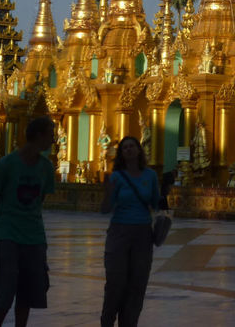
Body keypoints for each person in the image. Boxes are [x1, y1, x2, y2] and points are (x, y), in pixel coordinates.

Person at [0, 116, 56, 327]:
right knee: (5, 287)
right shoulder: (7, 164)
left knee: (27, 289)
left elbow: (40, 200)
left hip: (34, 236)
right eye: (50, 135)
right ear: (38, 136)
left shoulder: (46, 167)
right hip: (8, 233)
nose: (53, 140)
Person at [99, 136, 160, 327]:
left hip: (142, 233)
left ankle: (129, 322)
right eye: (125, 147)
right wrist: (108, 192)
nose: (129, 150)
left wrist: (165, 190)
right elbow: (105, 209)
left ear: (139, 150)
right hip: (119, 231)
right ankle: (107, 320)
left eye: (132, 146)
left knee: (137, 283)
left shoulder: (150, 176)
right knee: (116, 283)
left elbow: (157, 204)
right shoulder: (116, 177)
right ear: (121, 153)